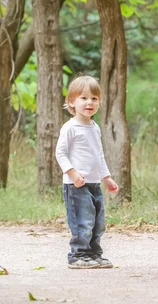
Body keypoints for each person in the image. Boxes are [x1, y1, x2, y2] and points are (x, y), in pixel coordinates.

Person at [55, 75, 119, 269]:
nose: (89, 102)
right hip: (75, 185)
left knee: (97, 222)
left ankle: (94, 253)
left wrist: (106, 177)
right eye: (83, 98)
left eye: (94, 98)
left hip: (94, 183)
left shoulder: (94, 127)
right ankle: (78, 255)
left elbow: (98, 155)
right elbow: (60, 153)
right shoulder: (70, 127)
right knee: (83, 221)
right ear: (71, 102)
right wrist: (72, 173)